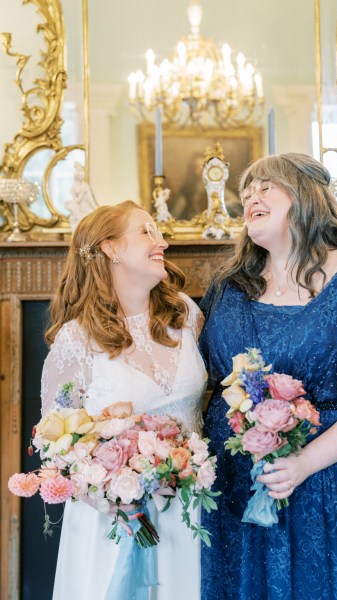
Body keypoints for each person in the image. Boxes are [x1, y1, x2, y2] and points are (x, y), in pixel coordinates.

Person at [199, 153, 337, 599]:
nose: (251, 196)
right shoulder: (230, 284)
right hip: (235, 483)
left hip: (330, 480)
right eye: (246, 191)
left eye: (265, 186)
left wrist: (305, 462)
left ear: (305, 195)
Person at [41, 200, 207, 600]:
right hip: (112, 523)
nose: (162, 242)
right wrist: (109, 494)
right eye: (146, 231)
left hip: (190, 511)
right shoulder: (76, 341)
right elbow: (54, 446)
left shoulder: (185, 315)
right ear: (110, 249)